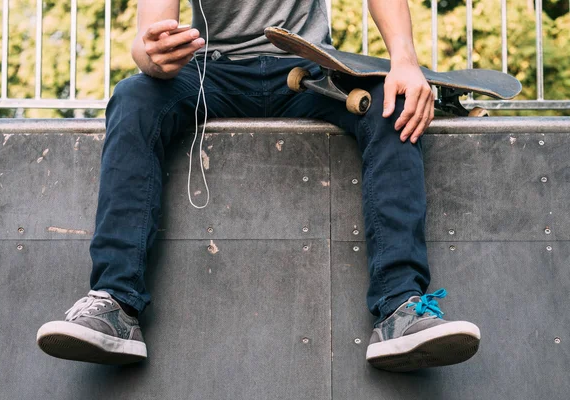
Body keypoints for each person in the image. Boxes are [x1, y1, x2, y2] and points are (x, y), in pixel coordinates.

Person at [36, 0, 480, 371]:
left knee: (394, 102)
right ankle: (114, 304)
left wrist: (404, 60)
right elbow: (146, 40)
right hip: (213, 71)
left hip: (308, 68)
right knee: (133, 97)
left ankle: (401, 307)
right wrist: (152, 54)